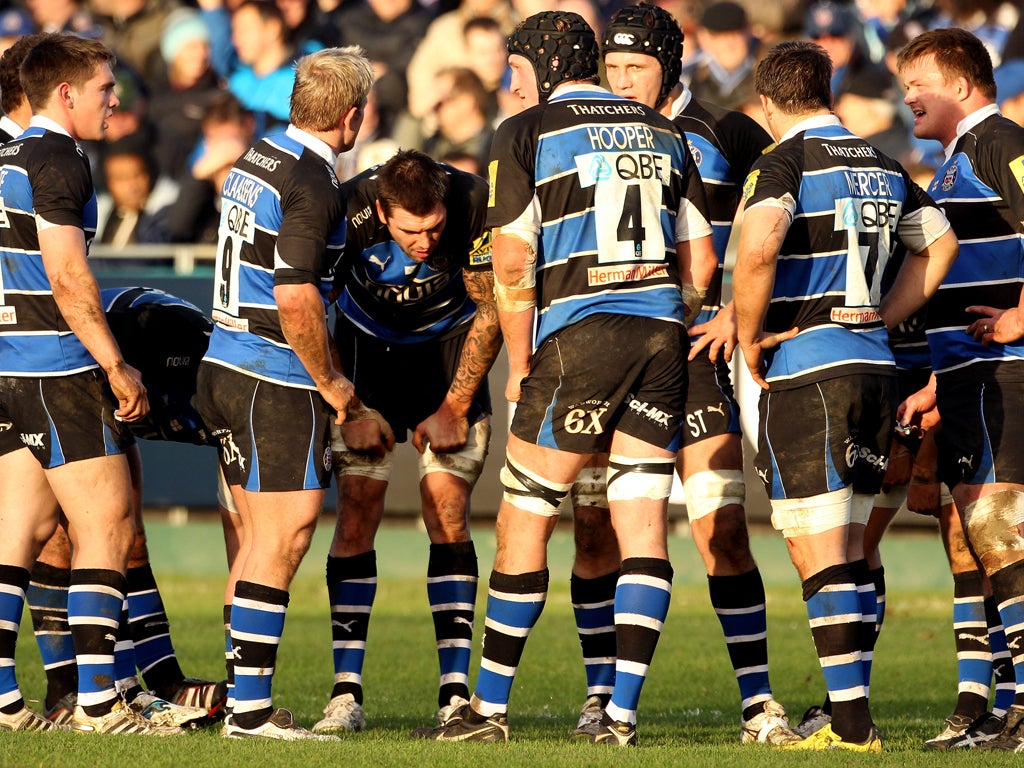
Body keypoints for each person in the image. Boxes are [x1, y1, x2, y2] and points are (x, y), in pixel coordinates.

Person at [420, 9, 718, 746]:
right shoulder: (665, 130)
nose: (508, 90)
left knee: (526, 518)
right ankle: (619, 715)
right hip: (662, 338)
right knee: (644, 525)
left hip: (577, 337)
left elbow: (514, 261)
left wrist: (520, 365)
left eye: (515, 75)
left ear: (546, 68)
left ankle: (485, 712)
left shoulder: (526, 132)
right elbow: (704, 262)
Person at [565, 1, 799, 746]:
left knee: (723, 529)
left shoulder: (730, 133)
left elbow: (789, 228)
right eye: (613, 68)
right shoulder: (588, 134)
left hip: (699, 357)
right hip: (612, 356)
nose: (624, 80)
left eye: (637, 66)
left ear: (671, 64)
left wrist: (738, 306)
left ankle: (759, 704)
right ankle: (603, 697)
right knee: (597, 529)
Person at [733, 40, 958, 751]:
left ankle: (852, 726)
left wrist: (747, 335)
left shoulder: (783, 162)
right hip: (874, 367)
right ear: (825, 91)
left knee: (817, 547)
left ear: (767, 104)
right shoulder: (883, 163)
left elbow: (761, 247)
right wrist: (882, 318)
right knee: (850, 548)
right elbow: (941, 244)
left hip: (809, 370)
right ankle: (847, 711)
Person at [194, 45, 374, 741]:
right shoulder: (313, 180)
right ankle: (250, 712)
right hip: (272, 373)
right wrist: (332, 384)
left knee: (252, 541)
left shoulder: (259, 155)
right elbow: (295, 290)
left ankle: (243, 699)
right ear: (352, 115)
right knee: (285, 535)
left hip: (224, 361)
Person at [0, 32, 165, 735]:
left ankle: (5, 700)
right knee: (107, 524)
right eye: (104, 87)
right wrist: (114, 362)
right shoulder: (58, 158)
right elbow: (68, 276)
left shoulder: (4, 154)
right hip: (59, 368)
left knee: (18, 535)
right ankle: (99, 701)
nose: (115, 98)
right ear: (65, 94)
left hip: (6, 365)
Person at [310, 148, 500, 734]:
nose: (425, 241)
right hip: (366, 356)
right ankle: (345, 694)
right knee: (356, 514)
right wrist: (350, 401)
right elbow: (313, 309)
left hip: (448, 356)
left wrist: (456, 404)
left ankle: (453, 696)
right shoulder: (346, 209)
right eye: (411, 230)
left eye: (435, 228)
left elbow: (493, 308)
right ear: (383, 211)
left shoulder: (472, 203)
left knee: (446, 510)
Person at [897, 26, 1024, 751]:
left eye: (921, 81)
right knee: (975, 541)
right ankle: (990, 707)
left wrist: (1017, 319)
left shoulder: (998, 143)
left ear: (966, 86)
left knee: (999, 531)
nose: (908, 94)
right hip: (967, 379)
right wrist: (940, 381)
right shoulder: (951, 163)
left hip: (1005, 371)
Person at [28, 286, 228, 729]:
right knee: (65, 535)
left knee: (124, 535)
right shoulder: (175, 340)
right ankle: (71, 690)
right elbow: (69, 280)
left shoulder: (201, 356)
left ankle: (157, 679)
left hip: (99, 368)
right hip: (60, 368)